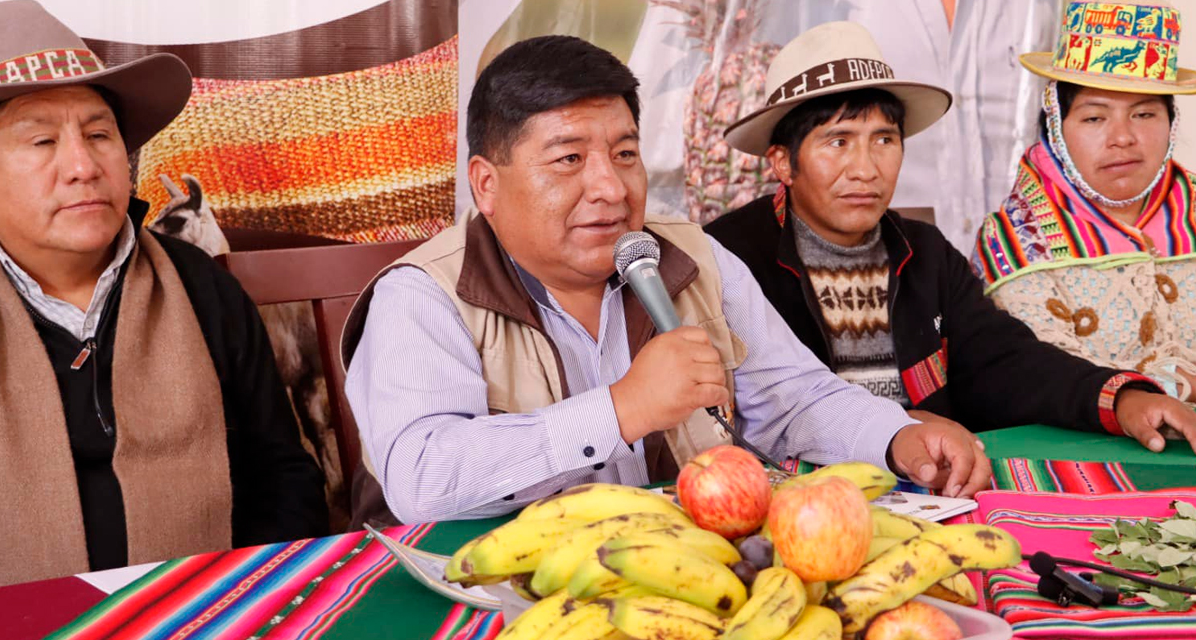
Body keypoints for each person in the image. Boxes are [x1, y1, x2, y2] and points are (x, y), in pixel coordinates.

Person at [342, 34, 992, 528]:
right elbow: (422, 474)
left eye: (625, 154)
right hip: (482, 592)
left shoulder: (688, 258)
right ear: (487, 184)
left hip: (670, 573)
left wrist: (897, 434)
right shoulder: (423, 294)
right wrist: (624, 407)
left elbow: (794, 401)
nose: (609, 187)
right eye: (569, 159)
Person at [0, 0, 326, 596]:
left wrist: (240, 602)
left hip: (207, 609)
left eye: (99, 133)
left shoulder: (199, 286)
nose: (83, 166)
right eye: (41, 142)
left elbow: (282, 476)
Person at [707, 21, 1196, 460]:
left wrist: (1124, 399)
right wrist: (890, 431)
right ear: (782, 163)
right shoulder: (729, 258)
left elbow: (1007, 361)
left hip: (931, 488)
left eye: (884, 139)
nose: (866, 168)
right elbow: (753, 409)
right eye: (838, 141)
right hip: (789, 497)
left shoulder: (925, 253)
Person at [974, 2, 1196, 414]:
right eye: (1095, 119)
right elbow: (1046, 377)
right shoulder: (1019, 239)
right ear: (1056, 128)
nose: (1123, 138)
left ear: (1172, 121)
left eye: (1144, 113)